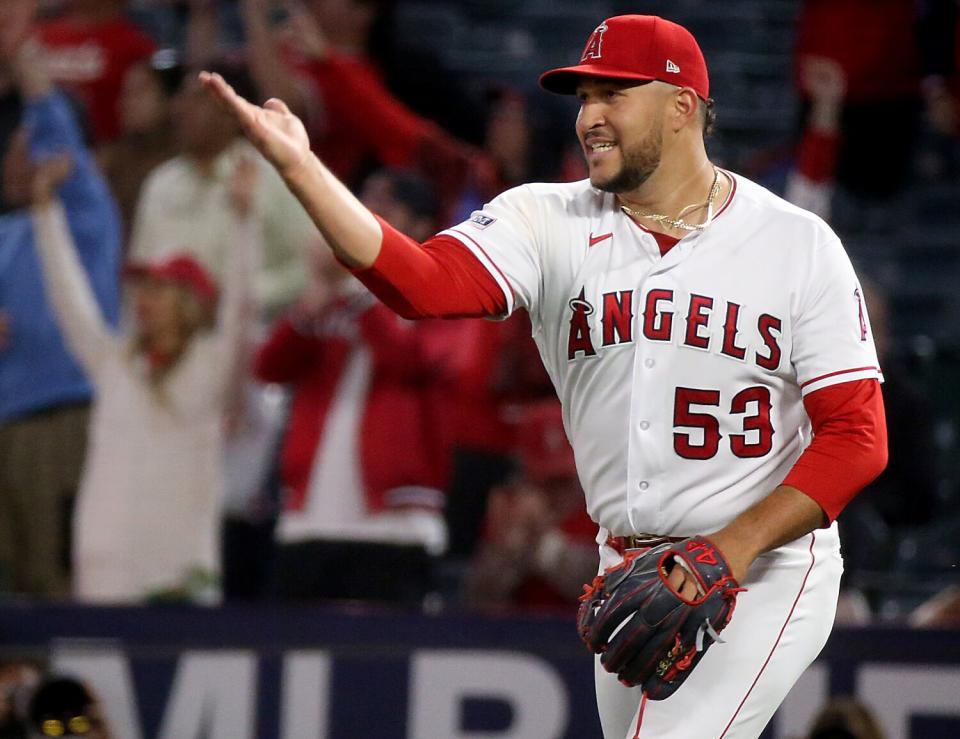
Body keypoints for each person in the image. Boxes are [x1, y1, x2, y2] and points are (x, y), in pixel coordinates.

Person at [200, 13, 888, 739]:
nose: (589, 117)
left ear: (683, 107)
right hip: (631, 570)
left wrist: (731, 548)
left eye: (613, 95)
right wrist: (303, 168)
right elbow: (421, 283)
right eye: (584, 97)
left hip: (764, 565)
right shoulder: (547, 220)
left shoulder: (794, 242)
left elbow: (859, 435)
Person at [30, 152, 256, 603]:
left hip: (180, 565)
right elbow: (68, 300)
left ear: (189, 301)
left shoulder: (211, 366)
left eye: (159, 288)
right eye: (142, 287)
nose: (144, 299)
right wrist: (46, 213)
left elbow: (242, 312)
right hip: (104, 561)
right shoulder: (114, 365)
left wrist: (243, 220)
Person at [0, 9, 121, 598]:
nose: (11, 159)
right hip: (6, 423)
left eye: (23, 145)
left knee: (59, 583)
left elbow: (52, 123)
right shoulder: (7, 232)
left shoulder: (85, 217)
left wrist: (23, 50)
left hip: (64, 421)